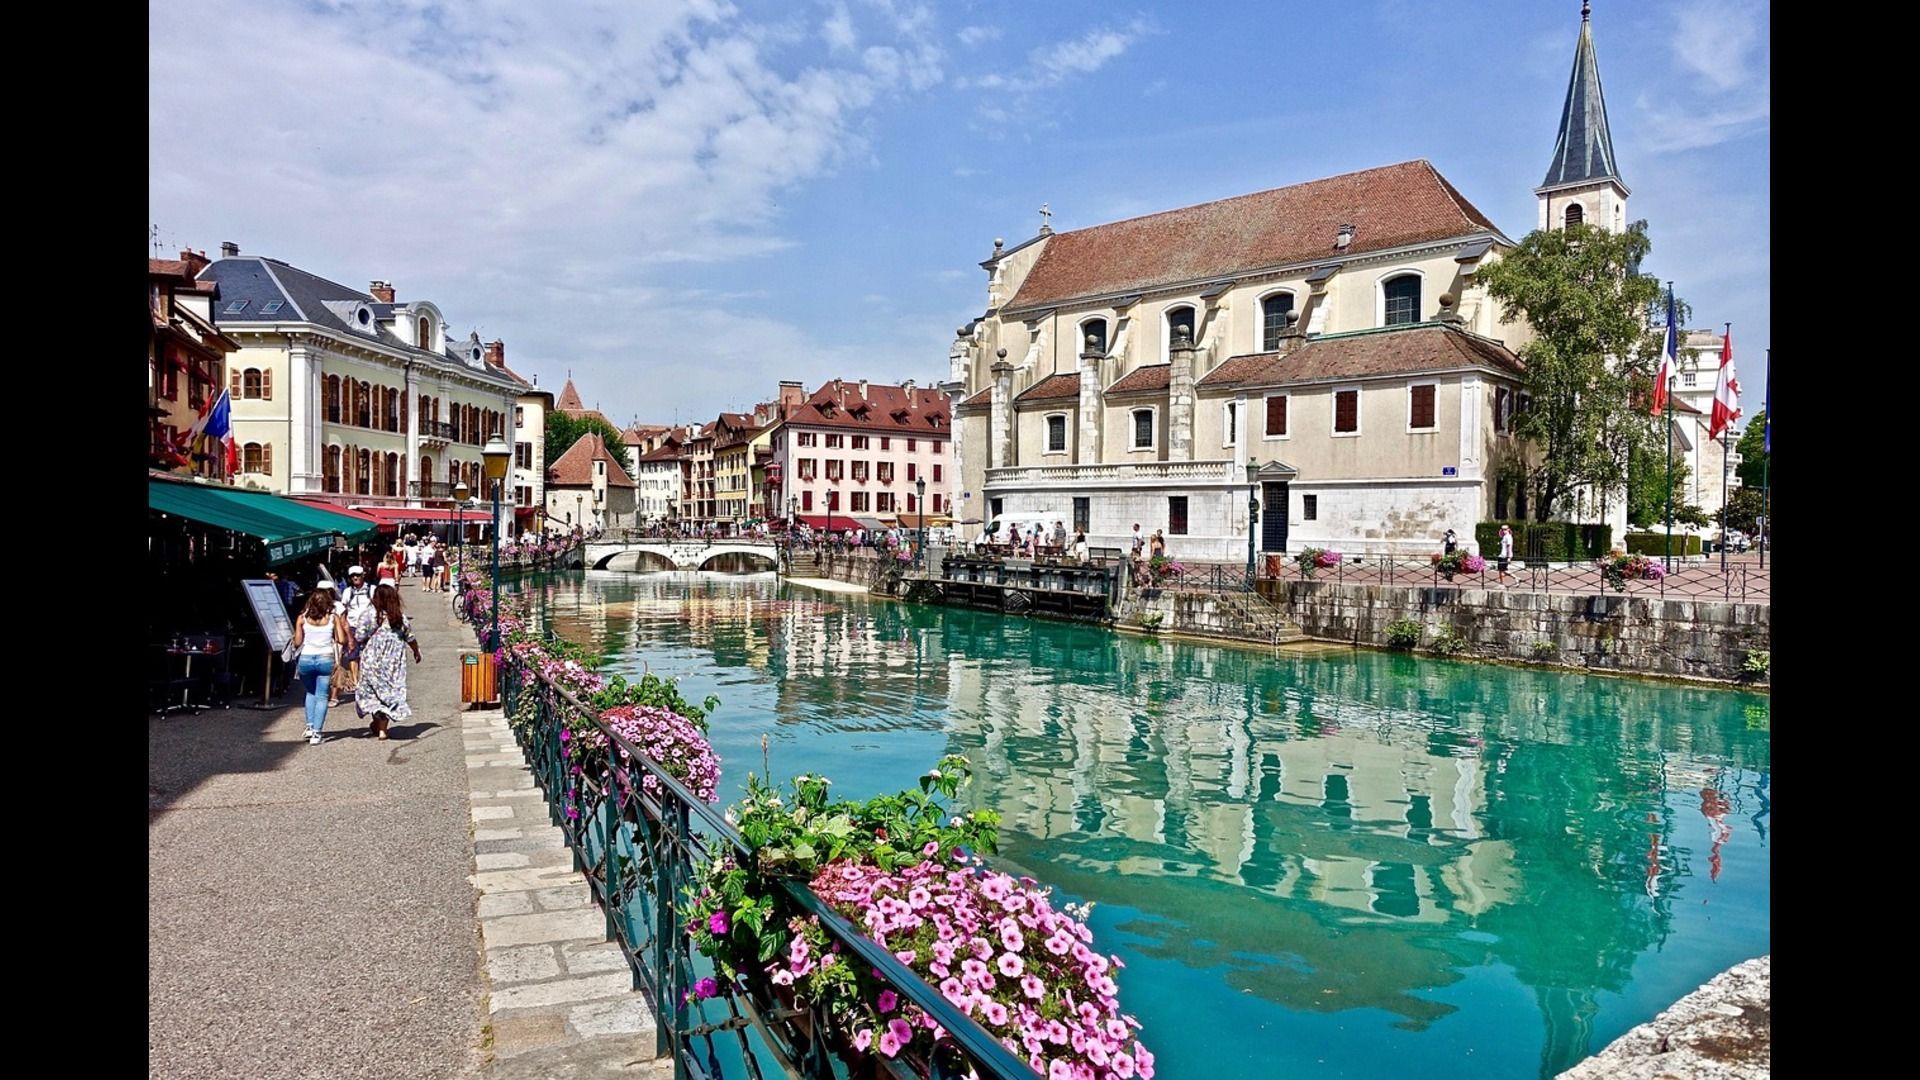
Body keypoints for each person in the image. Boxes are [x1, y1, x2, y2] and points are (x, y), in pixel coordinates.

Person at [357, 583, 422, 739]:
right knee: (388, 693)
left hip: (372, 661)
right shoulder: (399, 618)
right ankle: (381, 729)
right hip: (393, 664)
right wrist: (416, 651)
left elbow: (359, 636)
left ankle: (379, 726)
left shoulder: (368, 615)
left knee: (372, 693)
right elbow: (410, 638)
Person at [291, 583, 351, 745]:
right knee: (322, 696)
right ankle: (317, 732)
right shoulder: (333, 617)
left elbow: (297, 642)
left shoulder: (302, 618)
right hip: (325, 658)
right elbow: (341, 639)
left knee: (310, 693)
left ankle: (309, 726)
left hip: (306, 659)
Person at [335, 565, 377, 707]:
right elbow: (344, 610)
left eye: (358, 575)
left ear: (363, 575)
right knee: (353, 654)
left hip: (369, 627)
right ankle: (355, 680)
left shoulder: (372, 590)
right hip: (353, 626)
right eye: (353, 575)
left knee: (369, 654)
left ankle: (368, 679)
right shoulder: (347, 592)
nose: (355, 578)